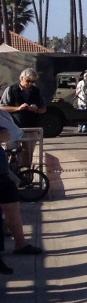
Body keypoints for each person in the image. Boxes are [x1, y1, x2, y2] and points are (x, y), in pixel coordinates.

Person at [0, 105, 37, 259]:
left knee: (12, 202)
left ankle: (20, 243)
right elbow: (4, 135)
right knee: (11, 203)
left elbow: (6, 134)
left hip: (2, 173)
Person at [1, 68, 46, 165]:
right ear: (21, 78)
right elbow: (2, 108)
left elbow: (43, 109)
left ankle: (27, 177)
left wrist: (36, 109)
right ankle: (13, 176)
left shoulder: (36, 91)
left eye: (33, 81)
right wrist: (18, 108)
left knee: (28, 155)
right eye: (28, 81)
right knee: (12, 154)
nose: (30, 84)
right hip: (13, 127)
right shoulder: (11, 90)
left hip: (31, 128)